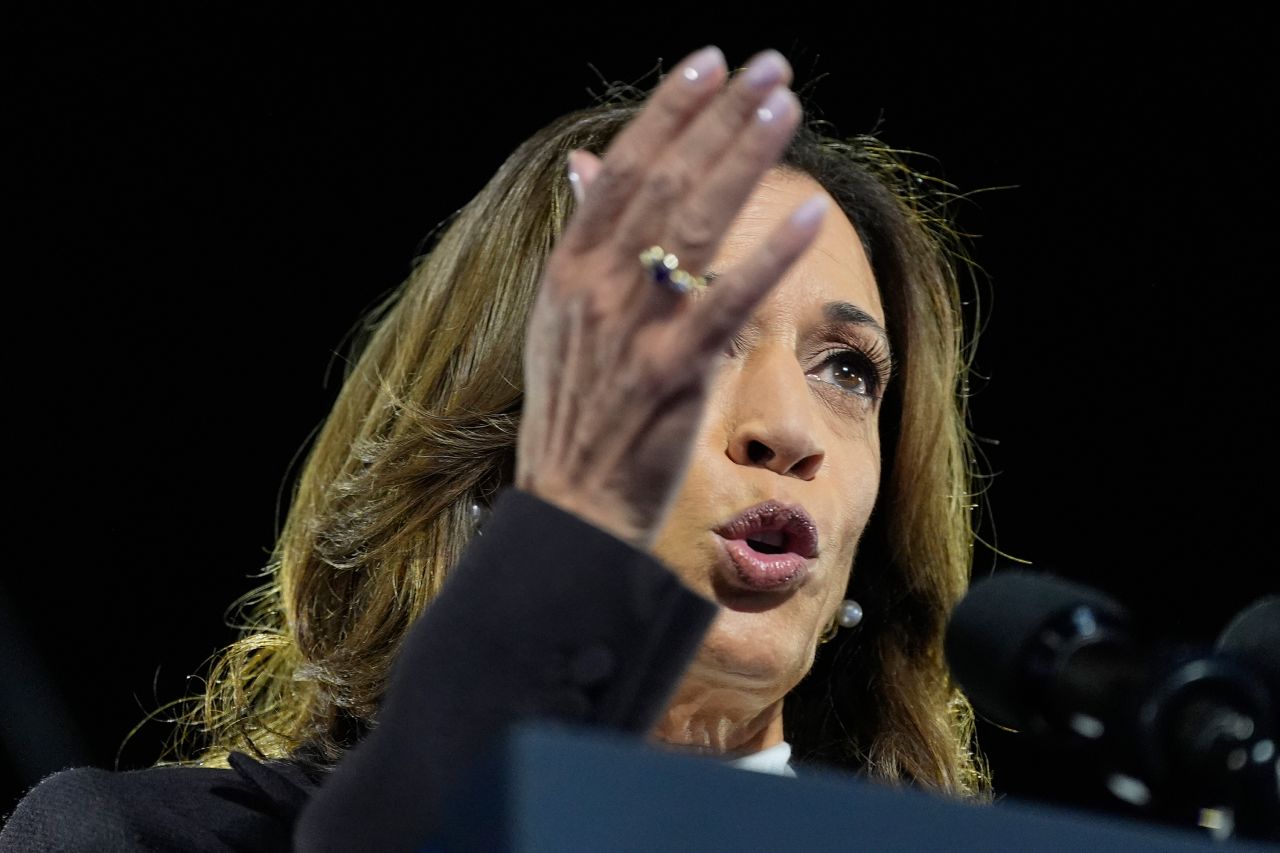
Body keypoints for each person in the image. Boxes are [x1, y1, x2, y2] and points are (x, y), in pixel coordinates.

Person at [1, 45, 987, 850]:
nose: (787, 428)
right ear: (504, 439)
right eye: (685, 329)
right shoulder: (137, 841)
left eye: (847, 370)